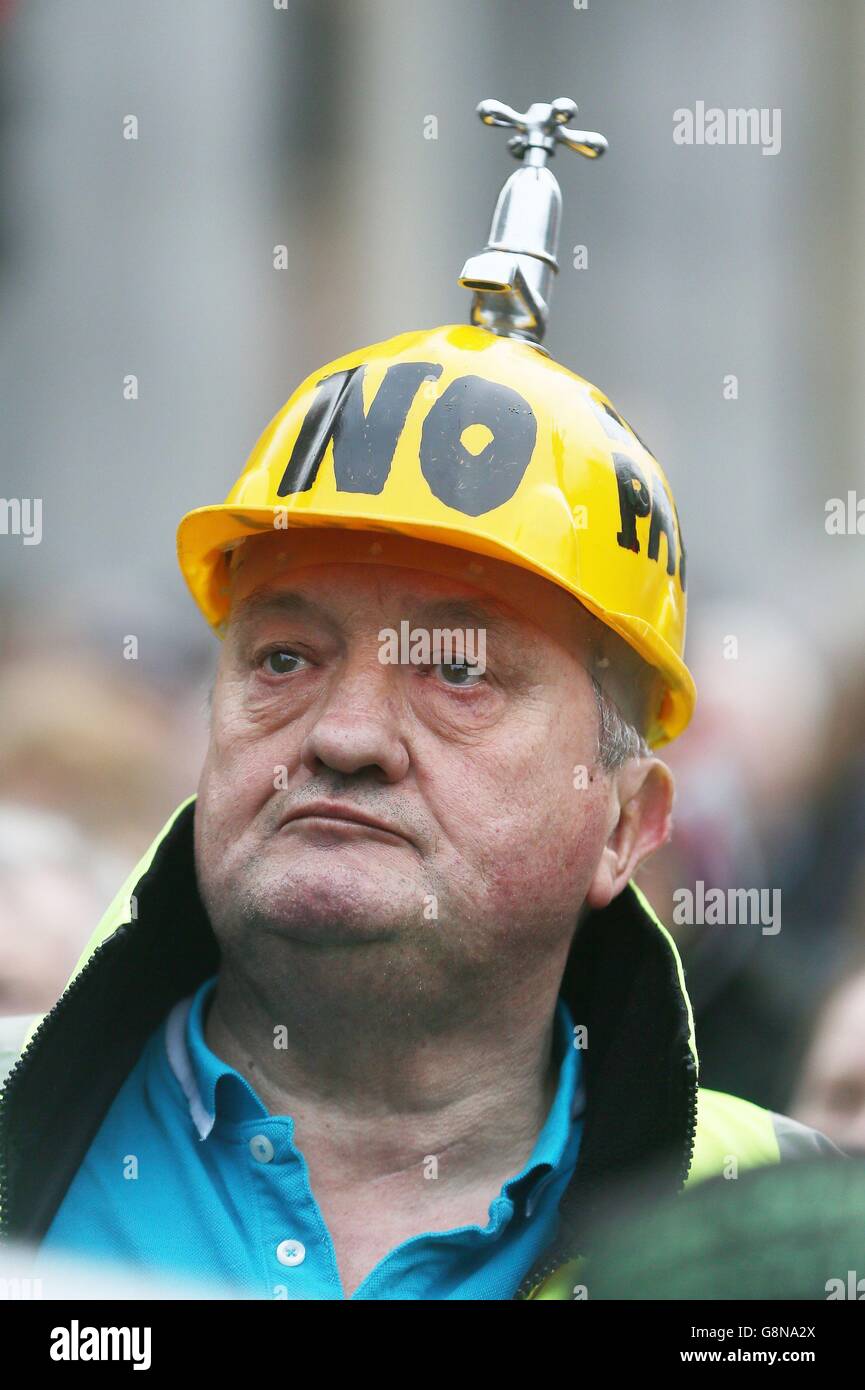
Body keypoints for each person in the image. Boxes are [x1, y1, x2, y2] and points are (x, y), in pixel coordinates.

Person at [0, 97, 842, 1301]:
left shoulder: (780, 1248)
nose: (342, 738)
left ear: (625, 823)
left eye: (457, 672)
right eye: (283, 659)